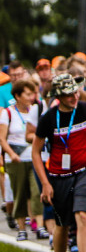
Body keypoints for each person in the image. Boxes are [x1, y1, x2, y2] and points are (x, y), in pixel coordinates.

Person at [32, 73, 86, 252]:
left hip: (85, 171)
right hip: (58, 176)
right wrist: (45, 183)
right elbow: (35, 152)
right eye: (68, 95)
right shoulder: (48, 118)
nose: (74, 97)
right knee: (62, 224)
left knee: (83, 214)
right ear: (58, 96)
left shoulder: (85, 109)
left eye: (75, 92)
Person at [1, 79, 42, 241]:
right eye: (27, 94)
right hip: (15, 160)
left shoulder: (34, 111)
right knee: (19, 193)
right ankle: (21, 227)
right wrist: (11, 154)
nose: (31, 97)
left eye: (32, 93)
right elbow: (2, 138)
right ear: (17, 96)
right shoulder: (8, 113)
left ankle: (39, 226)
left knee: (36, 191)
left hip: (32, 157)